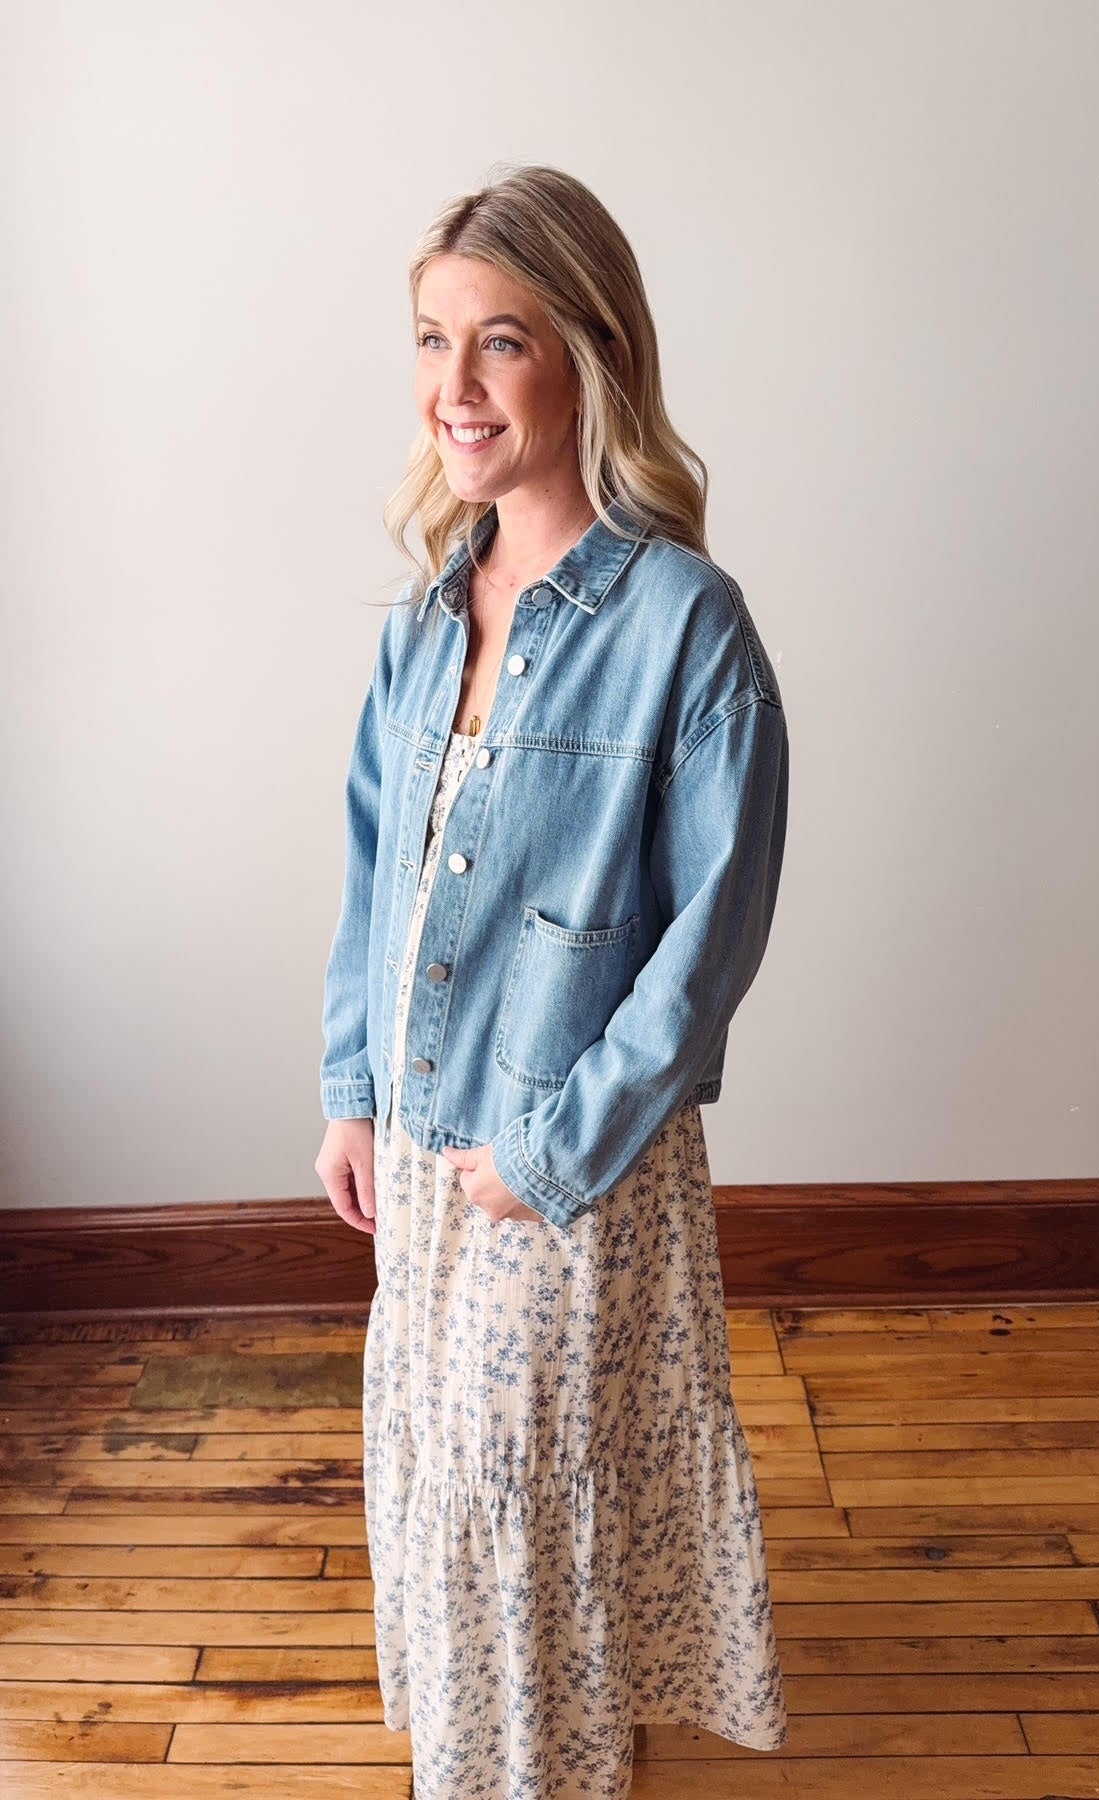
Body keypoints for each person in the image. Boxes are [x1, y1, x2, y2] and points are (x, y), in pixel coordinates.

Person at [314, 162, 791, 1800]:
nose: (453, 390)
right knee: (451, 1478)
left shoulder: (685, 629)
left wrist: (555, 1149)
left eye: (498, 343)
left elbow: (708, 940)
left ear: (588, 355)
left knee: (533, 1485)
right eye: (431, 341)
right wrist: (349, 1091)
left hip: (563, 1161)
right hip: (431, 1142)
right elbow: (374, 880)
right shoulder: (419, 626)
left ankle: (549, 1774)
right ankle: (488, 1762)